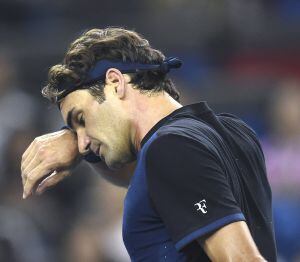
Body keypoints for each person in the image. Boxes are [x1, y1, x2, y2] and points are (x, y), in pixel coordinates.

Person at [20, 27, 276, 261]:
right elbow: (144, 179)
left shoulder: (170, 148)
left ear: (116, 82)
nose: (83, 142)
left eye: (81, 118)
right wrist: (74, 140)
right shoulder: (235, 132)